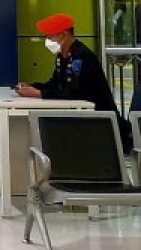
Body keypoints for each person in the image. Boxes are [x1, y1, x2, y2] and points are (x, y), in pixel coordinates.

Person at [16, 13, 131, 149]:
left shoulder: (81, 56)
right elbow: (55, 84)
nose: (47, 41)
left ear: (63, 35)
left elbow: (75, 93)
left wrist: (39, 94)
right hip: (80, 121)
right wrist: (32, 87)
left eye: (49, 36)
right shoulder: (62, 56)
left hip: (100, 124)